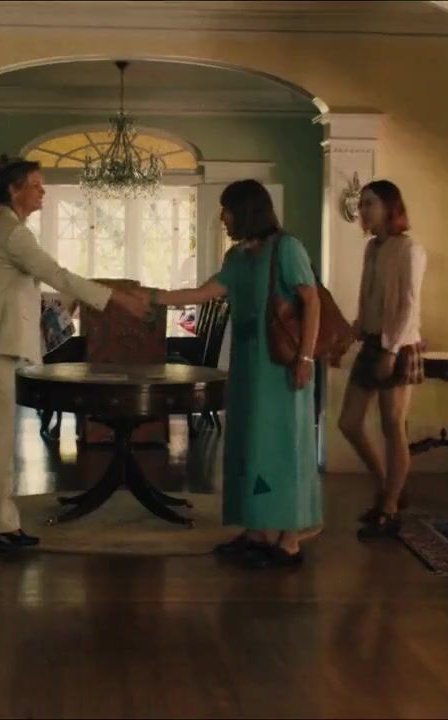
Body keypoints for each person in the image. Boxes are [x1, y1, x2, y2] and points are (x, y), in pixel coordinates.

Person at [0, 155, 151, 554]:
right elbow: (57, 274)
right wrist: (117, 299)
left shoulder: (9, 229)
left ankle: (1, 523)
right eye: (36, 185)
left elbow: (27, 286)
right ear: (14, 191)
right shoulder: (13, 233)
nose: (42, 192)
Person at [144, 179, 321, 568]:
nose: (222, 216)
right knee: (249, 444)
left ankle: (289, 540)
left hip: (282, 365)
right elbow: (202, 293)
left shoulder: (287, 248)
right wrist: (151, 296)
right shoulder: (237, 256)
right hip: (248, 363)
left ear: (246, 210)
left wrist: (306, 359)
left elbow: (311, 301)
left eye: (227, 209)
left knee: (282, 447)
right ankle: (256, 531)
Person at [336, 180, 426, 540]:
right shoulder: (372, 248)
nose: (364, 210)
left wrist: (392, 351)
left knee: (393, 426)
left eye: (370, 203)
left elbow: (409, 305)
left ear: (390, 207)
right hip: (372, 341)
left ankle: (388, 506)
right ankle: (387, 487)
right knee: (349, 422)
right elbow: (367, 300)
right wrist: (348, 337)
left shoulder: (410, 249)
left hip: (399, 346)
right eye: (362, 204)